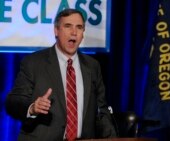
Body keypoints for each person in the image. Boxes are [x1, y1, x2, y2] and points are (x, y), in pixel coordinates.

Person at [5, 8, 117, 141]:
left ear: (83, 33)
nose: (74, 32)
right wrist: (32, 108)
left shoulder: (92, 66)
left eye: (79, 27)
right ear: (56, 31)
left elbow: (101, 111)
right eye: (68, 26)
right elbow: (13, 101)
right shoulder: (34, 63)